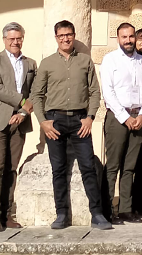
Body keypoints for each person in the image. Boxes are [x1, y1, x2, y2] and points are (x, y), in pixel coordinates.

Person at [29, 20, 112, 230]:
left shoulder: (85, 61)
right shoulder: (47, 63)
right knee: (58, 169)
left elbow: (94, 92)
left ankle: (97, 213)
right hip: (54, 121)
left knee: (88, 167)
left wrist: (90, 117)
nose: (66, 39)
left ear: (73, 35)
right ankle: (61, 214)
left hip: (79, 121)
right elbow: (36, 95)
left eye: (69, 35)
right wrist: (43, 122)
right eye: (61, 36)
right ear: (56, 38)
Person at [0, 22, 36, 232]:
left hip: (18, 122)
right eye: (11, 39)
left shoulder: (30, 63)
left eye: (18, 38)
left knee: (11, 169)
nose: (15, 42)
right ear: (4, 40)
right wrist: (22, 102)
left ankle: (6, 213)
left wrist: (22, 113)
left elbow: (35, 91)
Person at [101, 23, 142, 224]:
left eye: (131, 37)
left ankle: (126, 209)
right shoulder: (109, 60)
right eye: (124, 37)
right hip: (118, 118)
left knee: (130, 167)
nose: (128, 40)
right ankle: (106, 210)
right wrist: (125, 117)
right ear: (118, 38)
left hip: (138, 117)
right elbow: (108, 92)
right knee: (113, 165)